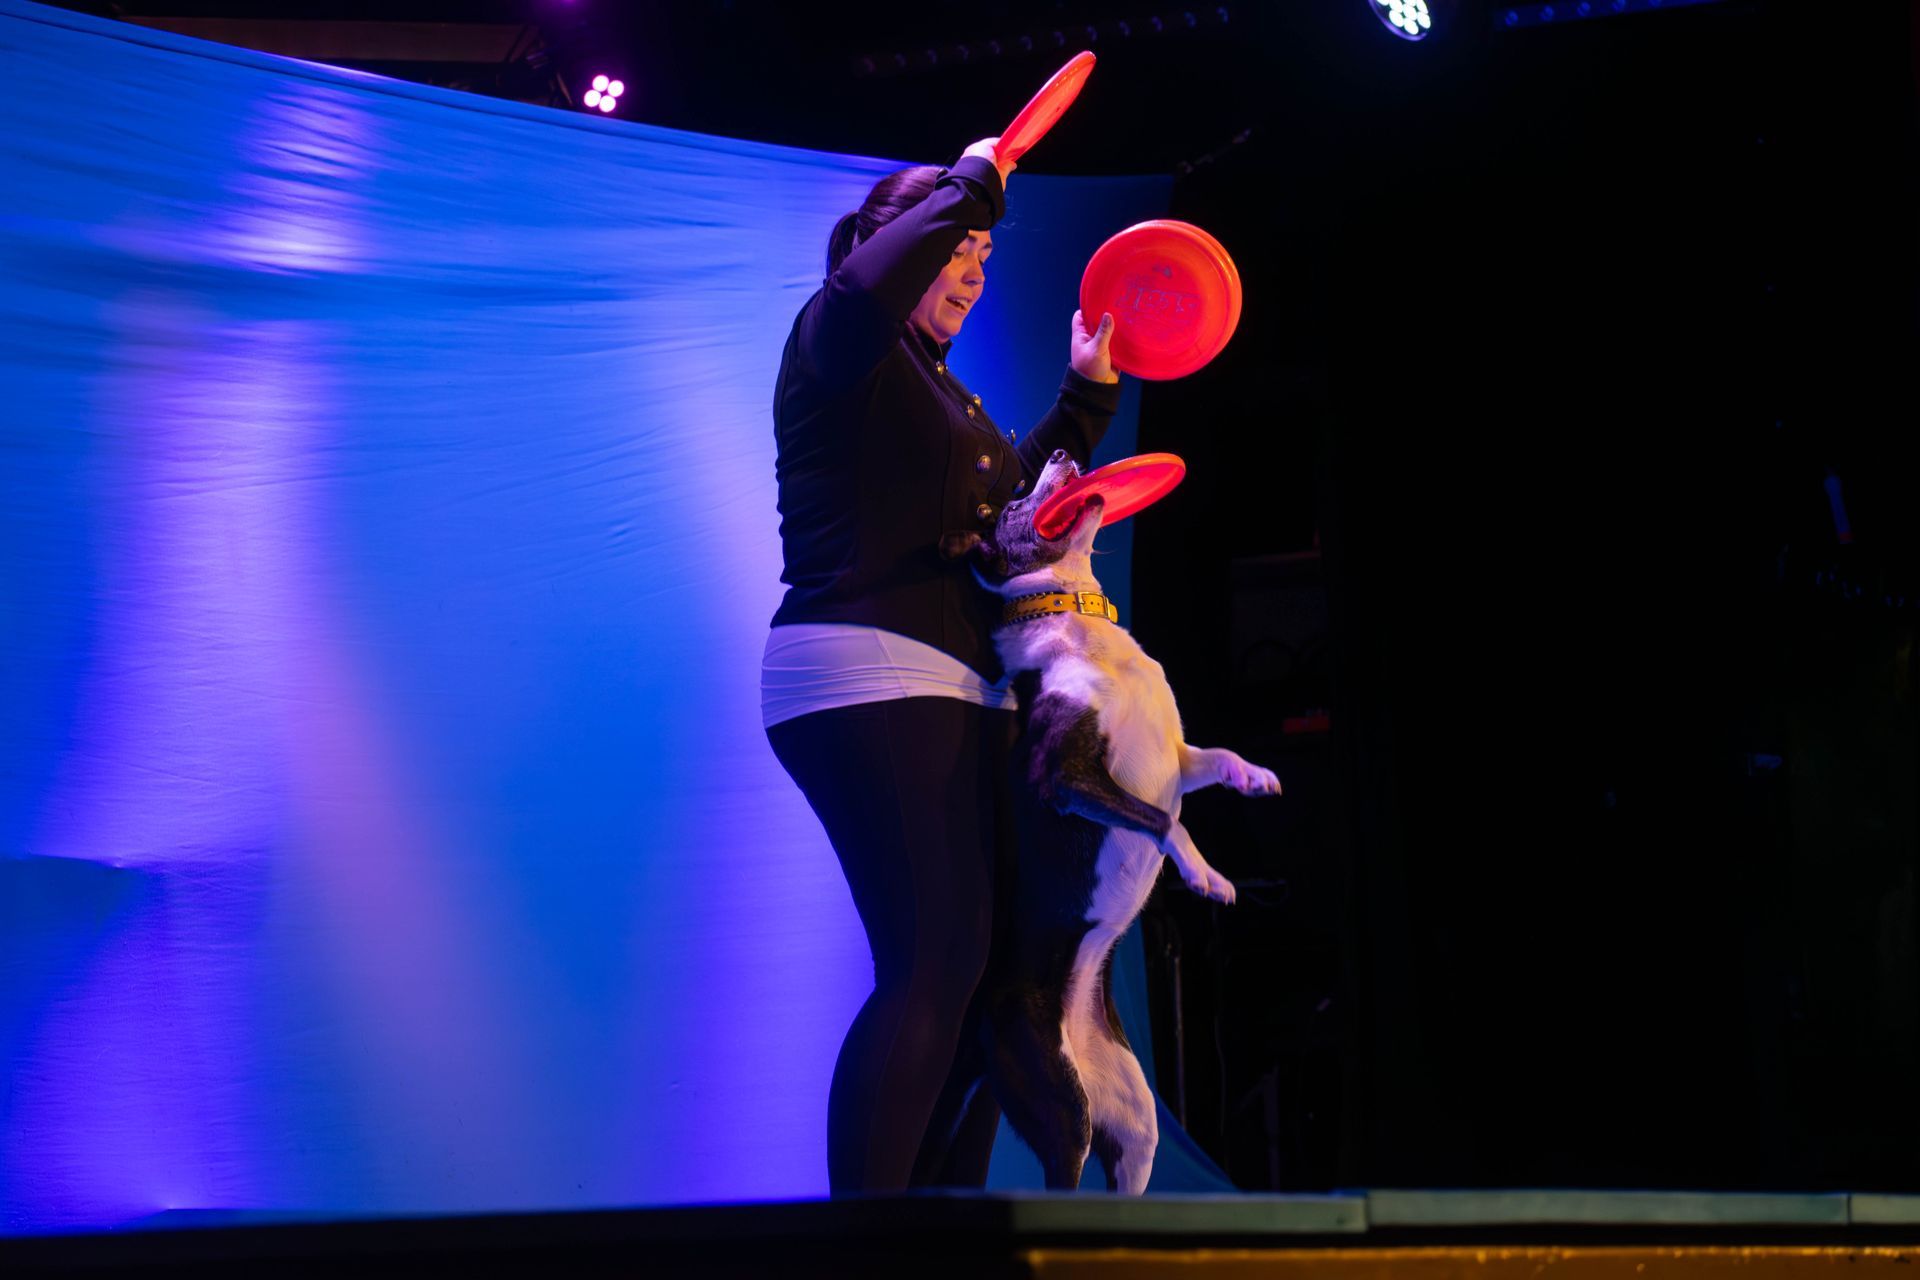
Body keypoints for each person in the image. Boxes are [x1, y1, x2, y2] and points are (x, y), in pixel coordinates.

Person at [762, 135, 1121, 1193]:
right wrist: (977, 175)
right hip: (868, 661)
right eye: (955, 249)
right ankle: (865, 1239)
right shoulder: (842, 341)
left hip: (954, 681)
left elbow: (1018, 517)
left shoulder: (943, 397)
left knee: (981, 982)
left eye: (984, 258)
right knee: (936, 960)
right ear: (888, 246)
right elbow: (870, 287)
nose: (971, 271)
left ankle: (936, 1223)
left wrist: (1087, 398)